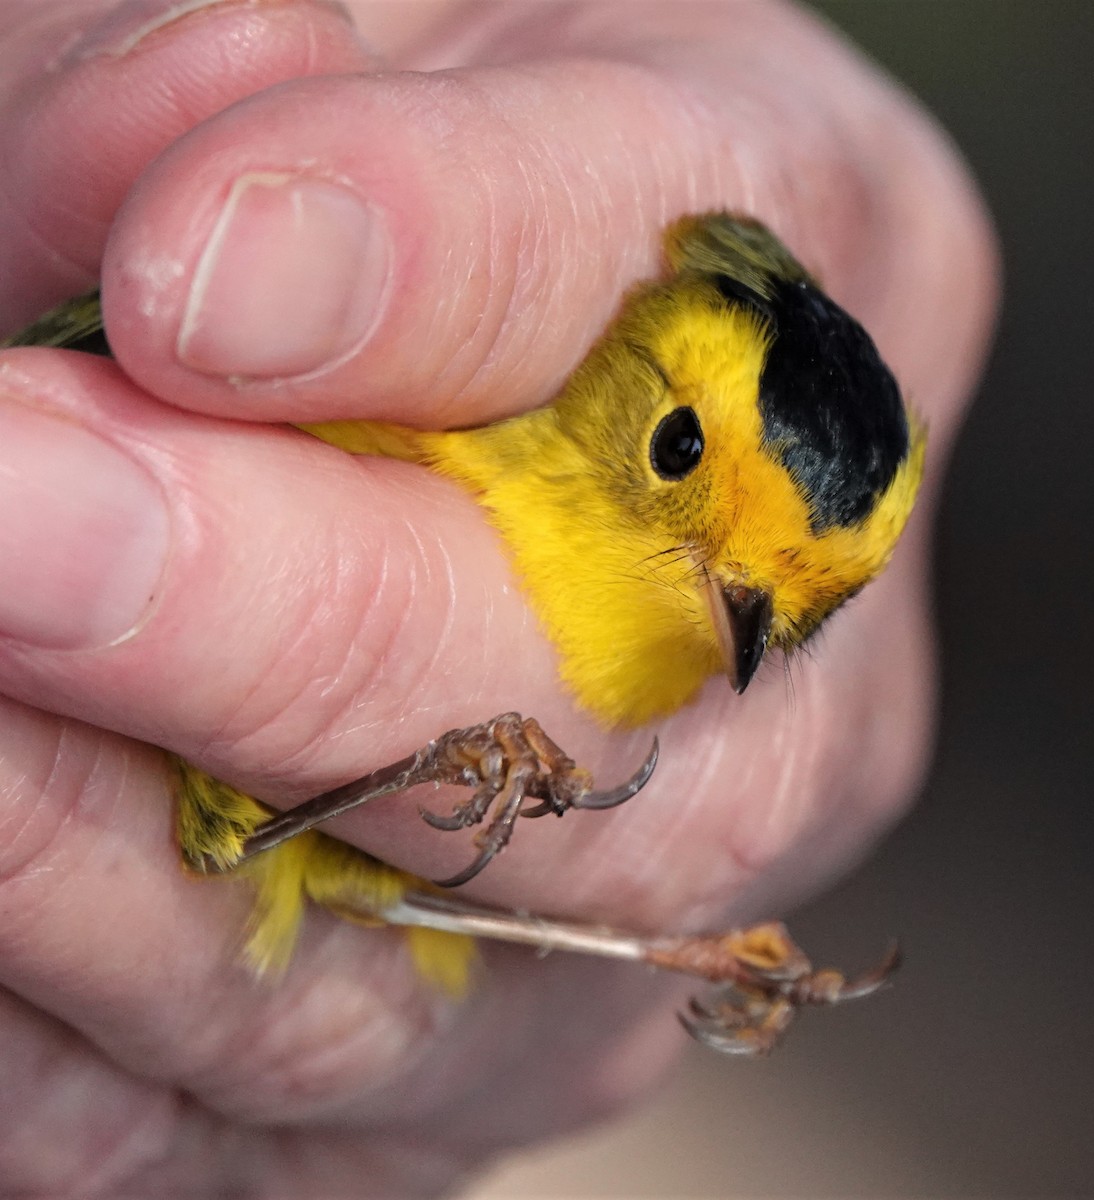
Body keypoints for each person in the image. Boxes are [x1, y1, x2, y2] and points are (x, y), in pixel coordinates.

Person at [0, 1, 997, 1194]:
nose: (741, 609)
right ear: (629, 363)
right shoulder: (400, 412)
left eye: (803, 610)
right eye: (680, 455)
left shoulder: (636, 688)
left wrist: (661, 948)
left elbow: (338, 902)